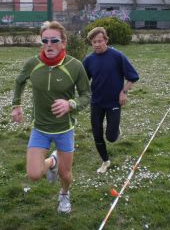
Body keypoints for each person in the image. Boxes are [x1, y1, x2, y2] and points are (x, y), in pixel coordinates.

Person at [11, 21, 90, 214]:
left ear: (63, 43)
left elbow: (87, 95)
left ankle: (64, 193)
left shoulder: (75, 66)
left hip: (64, 129)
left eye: (54, 40)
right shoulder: (33, 64)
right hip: (40, 128)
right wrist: (16, 105)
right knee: (34, 174)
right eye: (44, 40)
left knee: (66, 174)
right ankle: (52, 162)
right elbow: (19, 80)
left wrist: (70, 104)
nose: (48, 44)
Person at [83, 27, 139, 173]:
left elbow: (133, 77)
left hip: (114, 101)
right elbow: (83, 81)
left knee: (111, 137)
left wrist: (124, 92)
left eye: (100, 41)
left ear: (106, 40)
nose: (97, 44)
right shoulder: (89, 60)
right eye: (94, 42)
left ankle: (115, 130)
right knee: (97, 133)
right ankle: (105, 161)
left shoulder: (117, 56)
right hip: (96, 102)